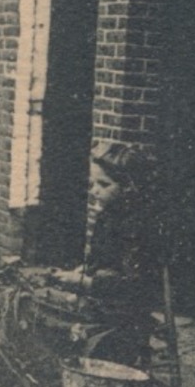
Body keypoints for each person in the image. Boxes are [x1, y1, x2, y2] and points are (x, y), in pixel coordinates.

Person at [47, 140, 161, 369]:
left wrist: (85, 283)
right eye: (92, 184)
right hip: (102, 300)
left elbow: (134, 285)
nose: (94, 191)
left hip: (122, 314)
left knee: (33, 310)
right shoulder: (108, 216)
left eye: (103, 184)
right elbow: (100, 261)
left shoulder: (138, 227)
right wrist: (79, 272)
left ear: (129, 187)